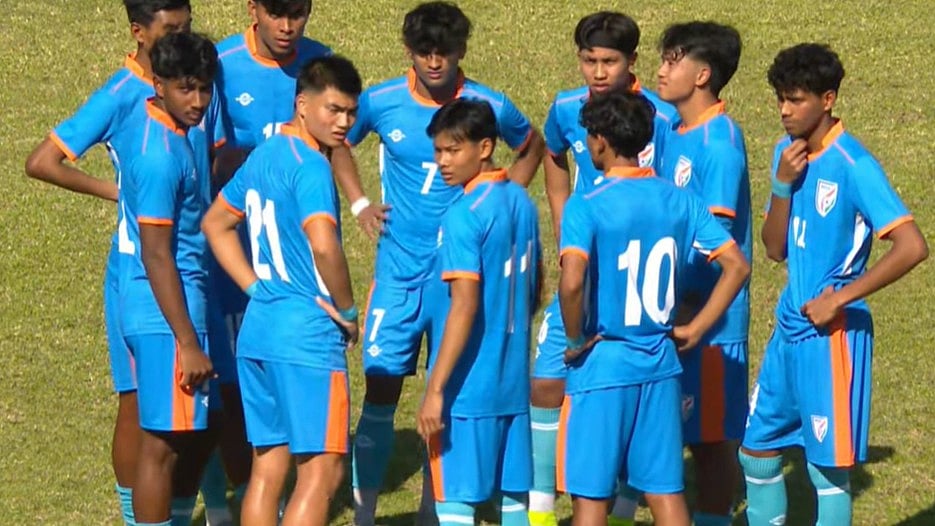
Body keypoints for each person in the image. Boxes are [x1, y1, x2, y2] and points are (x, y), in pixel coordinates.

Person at [332, 3, 544, 524]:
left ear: (460, 53)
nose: (433, 62)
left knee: (449, 390)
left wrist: (498, 196)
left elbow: (532, 143)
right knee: (381, 387)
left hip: (460, 278)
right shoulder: (381, 101)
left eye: (443, 53)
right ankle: (364, 513)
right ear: (409, 51)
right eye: (424, 52)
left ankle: (435, 511)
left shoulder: (486, 104)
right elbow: (338, 142)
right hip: (401, 273)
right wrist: (359, 203)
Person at [22, 3, 228, 524]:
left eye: (185, 28)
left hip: (179, 275)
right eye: (169, 31)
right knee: (152, 424)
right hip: (153, 281)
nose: (180, 38)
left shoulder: (194, 87)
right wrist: (122, 194)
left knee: (185, 423)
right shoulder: (131, 107)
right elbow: (42, 162)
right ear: (140, 34)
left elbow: (212, 165)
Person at [739, 43, 928, 526]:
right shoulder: (787, 154)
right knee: (756, 452)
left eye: (795, 99)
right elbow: (773, 247)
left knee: (827, 470)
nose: (784, 110)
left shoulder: (854, 164)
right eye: (780, 98)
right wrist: (781, 186)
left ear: (827, 99)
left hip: (833, 335)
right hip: (788, 329)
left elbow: (911, 246)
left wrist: (841, 297)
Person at [557, 91, 750, 526]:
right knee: (666, 493)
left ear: (601, 141)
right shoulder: (680, 200)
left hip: (604, 362)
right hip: (662, 363)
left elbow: (571, 282)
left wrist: (573, 340)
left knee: (589, 500)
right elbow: (736, 266)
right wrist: (698, 328)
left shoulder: (586, 204)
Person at [201, 55, 363, 526]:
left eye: (350, 113)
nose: (343, 123)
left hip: (259, 330)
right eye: (333, 110)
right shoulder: (311, 167)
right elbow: (324, 244)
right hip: (307, 335)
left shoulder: (265, 154)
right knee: (322, 472)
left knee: (267, 469)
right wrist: (348, 310)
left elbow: (216, 223)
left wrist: (255, 286)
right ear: (302, 104)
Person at [531, 12, 678, 526]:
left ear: (631, 61)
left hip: (632, 273)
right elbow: (552, 155)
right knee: (546, 381)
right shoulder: (566, 108)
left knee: (629, 396)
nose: (597, 71)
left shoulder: (659, 115)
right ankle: (541, 512)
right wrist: (560, 212)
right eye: (589, 60)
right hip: (583, 264)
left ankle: (618, 506)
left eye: (609, 61)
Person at [416, 98, 542, 526]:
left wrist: (436, 389)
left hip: (469, 389)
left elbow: (464, 305)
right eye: (437, 151)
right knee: (514, 503)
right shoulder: (522, 202)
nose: (442, 162)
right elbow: (535, 286)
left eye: (453, 151)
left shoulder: (463, 215)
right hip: (512, 384)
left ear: (485, 147)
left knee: (456, 501)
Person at [114, 32, 219, 526]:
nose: (198, 102)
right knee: (161, 446)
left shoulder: (175, 135)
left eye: (204, 89)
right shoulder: (159, 156)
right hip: (165, 318)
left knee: (180, 439)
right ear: (158, 85)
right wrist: (187, 342)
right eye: (186, 90)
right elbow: (157, 254)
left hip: (167, 312)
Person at [652, 21, 751, 526]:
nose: (661, 70)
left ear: (702, 74)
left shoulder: (718, 145)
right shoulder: (674, 129)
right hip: (673, 314)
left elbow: (714, 246)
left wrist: (685, 310)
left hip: (710, 325)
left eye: (672, 60)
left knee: (711, 443)